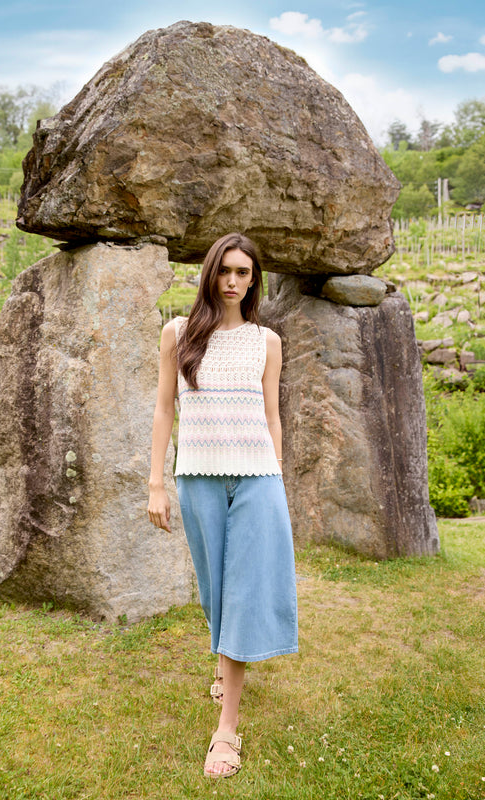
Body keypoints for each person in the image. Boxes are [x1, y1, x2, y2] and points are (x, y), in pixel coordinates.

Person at [147, 232, 298, 778]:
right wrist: (155, 483)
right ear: (210, 274)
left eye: (243, 272)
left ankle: (226, 732)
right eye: (224, 271)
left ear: (254, 279)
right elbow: (165, 410)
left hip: (257, 479)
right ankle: (224, 660)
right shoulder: (177, 334)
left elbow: (272, 416)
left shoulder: (267, 341)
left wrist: (275, 479)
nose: (232, 281)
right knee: (216, 593)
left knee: (242, 593)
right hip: (198, 479)